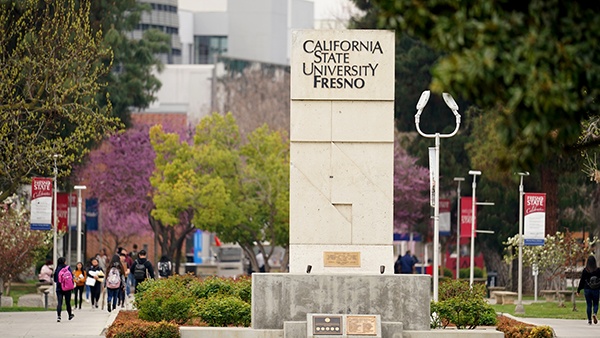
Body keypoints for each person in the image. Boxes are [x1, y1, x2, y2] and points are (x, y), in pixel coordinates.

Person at [577, 255, 600, 325]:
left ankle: (589, 320)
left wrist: (578, 290)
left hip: (587, 289)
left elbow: (582, 281)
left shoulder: (585, 270)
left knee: (589, 304)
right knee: (596, 303)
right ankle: (595, 313)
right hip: (596, 289)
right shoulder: (598, 270)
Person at [53, 257, 74, 322]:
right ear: (64, 262)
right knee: (68, 302)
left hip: (59, 288)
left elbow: (55, 280)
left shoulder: (57, 269)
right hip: (67, 288)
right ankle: (70, 315)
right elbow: (71, 277)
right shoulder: (68, 268)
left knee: (60, 302)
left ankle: (59, 316)